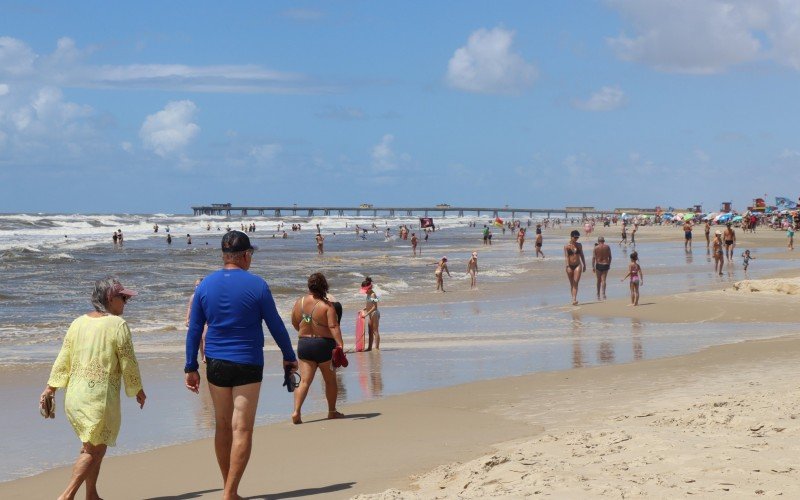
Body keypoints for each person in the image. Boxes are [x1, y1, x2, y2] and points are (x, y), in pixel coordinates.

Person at [184, 231, 297, 500]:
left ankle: (228, 488)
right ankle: (230, 492)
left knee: (222, 427)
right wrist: (289, 355)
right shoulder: (257, 285)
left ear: (225, 256)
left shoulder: (205, 285)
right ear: (246, 256)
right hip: (247, 362)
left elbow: (194, 329)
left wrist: (190, 366)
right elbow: (275, 324)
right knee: (242, 429)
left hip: (216, 363)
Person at [40, 277, 146, 500]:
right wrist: (137, 389)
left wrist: (51, 387)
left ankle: (92, 494)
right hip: (99, 397)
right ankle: (66, 496)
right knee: (94, 449)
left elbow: (63, 358)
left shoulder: (78, 322)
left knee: (94, 444)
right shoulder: (117, 325)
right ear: (110, 298)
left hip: (75, 396)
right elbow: (128, 361)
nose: (126, 302)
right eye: (123, 298)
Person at [290, 273, 345, 424]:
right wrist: (340, 344)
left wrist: (306, 332)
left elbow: (295, 322)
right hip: (324, 345)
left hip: (304, 344)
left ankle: (296, 412)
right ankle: (332, 412)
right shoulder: (327, 306)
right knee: (330, 381)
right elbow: (334, 326)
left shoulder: (299, 303)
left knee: (304, 382)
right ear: (324, 286)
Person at [186, 278, 207, 363]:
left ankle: (206, 356)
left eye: (199, 284)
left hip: (206, 319)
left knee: (205, 336)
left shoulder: (207, 295)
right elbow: (190, 308)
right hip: (197, 319)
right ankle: (203, 357)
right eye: (196, 285)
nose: (197, 286)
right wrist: (187, 319)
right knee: (200, 340)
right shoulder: (193, 296)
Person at [564, 230, 586, 306]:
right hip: (569, 266)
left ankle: (574, 299)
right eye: (575, 237)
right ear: (571, 237)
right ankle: (573, 298)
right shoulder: (566, 246)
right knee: (571, 283)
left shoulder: (579, 245)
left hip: (578, 265)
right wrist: (567, 265)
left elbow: (582, 255)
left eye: (577, 237)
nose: (576, 238)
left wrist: (584, 265)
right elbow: (566, 256)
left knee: (575, 283)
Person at [360, 277, 381, 350]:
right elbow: (368, 304)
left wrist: (366, 314)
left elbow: (375, 306)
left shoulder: (373, 295)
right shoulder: (368, 294)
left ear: (369, 288)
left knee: (375, 331)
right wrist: (364, 309)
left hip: (374, 313)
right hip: (370, 313)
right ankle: (369, 347)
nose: (365, 292)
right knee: (370, 332)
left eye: (365, 290)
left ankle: (377, 348)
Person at [592, 236, 612, 301]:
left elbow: (593, 258)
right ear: (604, 241)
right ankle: (603, 294)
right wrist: (609, 264)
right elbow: (610, 257)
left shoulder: (596, 248)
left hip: (598, 265)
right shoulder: (607, 247)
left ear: (598, 241)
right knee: (604, 280)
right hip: (605, 264)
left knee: (598, 280)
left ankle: (598, 294)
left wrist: (593, 266)